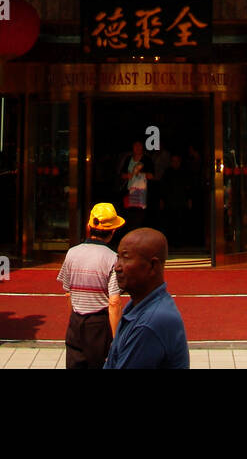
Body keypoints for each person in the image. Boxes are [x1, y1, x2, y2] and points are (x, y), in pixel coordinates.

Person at [103, 227, 189, 369]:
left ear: (152, 266)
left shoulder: (150, 323)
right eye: (118, 258)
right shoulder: (137, 305)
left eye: (125, 258)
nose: (117, 267)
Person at [58, 202, 125, 369]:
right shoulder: (112, 258)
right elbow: (114, 302)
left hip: (76, 321)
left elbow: (68, 293)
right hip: (99, 324)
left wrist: (73, 319)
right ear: (113, 231)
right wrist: (116, 338)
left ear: (89, 226)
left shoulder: (72, 253)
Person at [117, 140, 149, 233]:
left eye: (139, 146)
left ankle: (138, 234)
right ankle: (130, 234)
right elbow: (122, 174)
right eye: (135, 146)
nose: (138, 148)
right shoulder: (128, 159)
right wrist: (129, 175)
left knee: (139, 216)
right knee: (129, 214)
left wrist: (139, 173)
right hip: (129, 190)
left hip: (141, 191)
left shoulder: (146, 160)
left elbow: (152, 175)